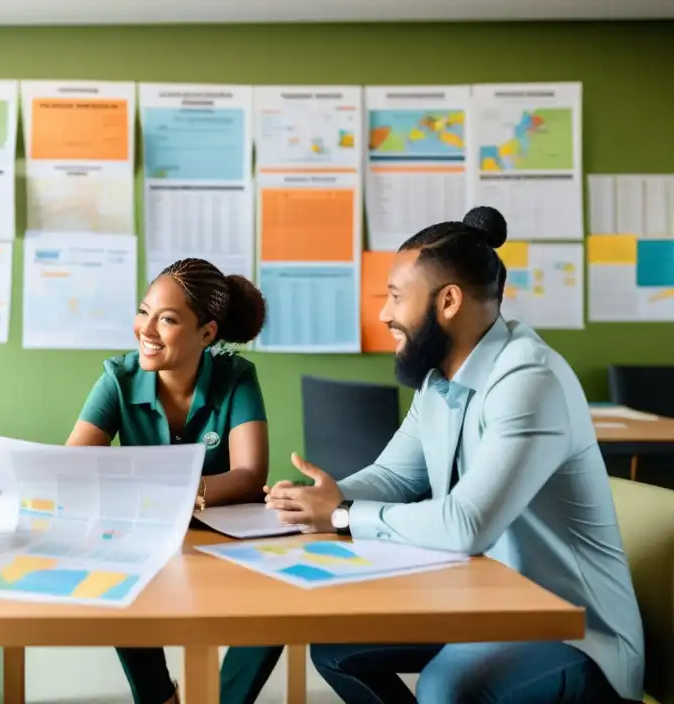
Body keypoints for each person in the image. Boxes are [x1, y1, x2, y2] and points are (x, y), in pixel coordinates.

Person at [265, 206, 645, 704]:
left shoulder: (529, 380)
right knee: (337, 649)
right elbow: (393, 476)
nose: (384, 314)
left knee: (447, 686)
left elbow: (468, 526)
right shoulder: (439, 380)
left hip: (575, 630)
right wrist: (318, 500)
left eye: (396, 297)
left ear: (448, 301)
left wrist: (341, 515)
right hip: (486, 601)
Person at [67, 258, 282, 704]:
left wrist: (171, 492)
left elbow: (249, 475)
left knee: (275, 609)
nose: (146, 329)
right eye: (143, 312)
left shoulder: (237, 377)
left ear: (207, 333)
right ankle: (158, 697)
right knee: (117, 583)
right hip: (146, 541)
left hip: (226, 544)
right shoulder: (118, 378)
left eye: (166, 319)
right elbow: (74, 466)